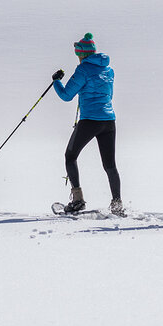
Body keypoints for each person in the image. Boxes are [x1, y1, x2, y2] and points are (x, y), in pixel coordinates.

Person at [52, 33, 124, 215]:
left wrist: (56, 81)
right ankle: (117, 204)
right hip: (109, 121)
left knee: (70, 156)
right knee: (110, 165)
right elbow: (108, 94)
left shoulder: (83, 70)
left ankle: (78, 201)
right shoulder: (109, 70)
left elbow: (67, 95)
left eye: (78, 54)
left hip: (90, 120)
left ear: (82, 54)